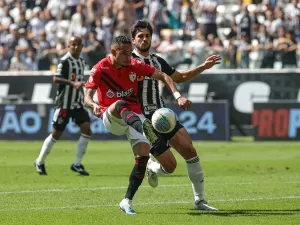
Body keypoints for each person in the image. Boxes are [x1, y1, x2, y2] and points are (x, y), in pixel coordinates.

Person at [84, 36, 191, 215]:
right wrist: (93, 105)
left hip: (135, 116)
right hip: (112, 117)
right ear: (113, 52)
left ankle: (126, 201)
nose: (128, 57)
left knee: (168, 165)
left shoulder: (134, 66)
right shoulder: (100, 68)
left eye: (129, 52)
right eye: (124, 54)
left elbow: (163, 75)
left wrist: (177, 95)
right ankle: (147, 131)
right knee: (119, 103)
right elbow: (86, 96)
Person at [131, 20, 221, 211]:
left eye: (147, 36)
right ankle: (153, 167)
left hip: (162, 115)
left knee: (190, 150)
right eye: (141, 36)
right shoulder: (127, 62)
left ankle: (200, 201)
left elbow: (178, 77)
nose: (145, 39)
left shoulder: (157, 60)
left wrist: (202, 67)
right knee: (170, 167)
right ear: (133, 40)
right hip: (143, 119)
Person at [34, 36, 91, 176]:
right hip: (64, 104)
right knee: (56, 134)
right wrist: (72, 84)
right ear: (69, 46)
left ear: (82, 46)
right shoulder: (65, 61)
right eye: (73, 45)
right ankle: (39, 161)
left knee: (87, 130)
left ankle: (77, 164)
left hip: (76, 103)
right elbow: (55, 79)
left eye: (78, 45)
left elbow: (79, 81)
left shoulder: (82, 62)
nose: (75, 47)